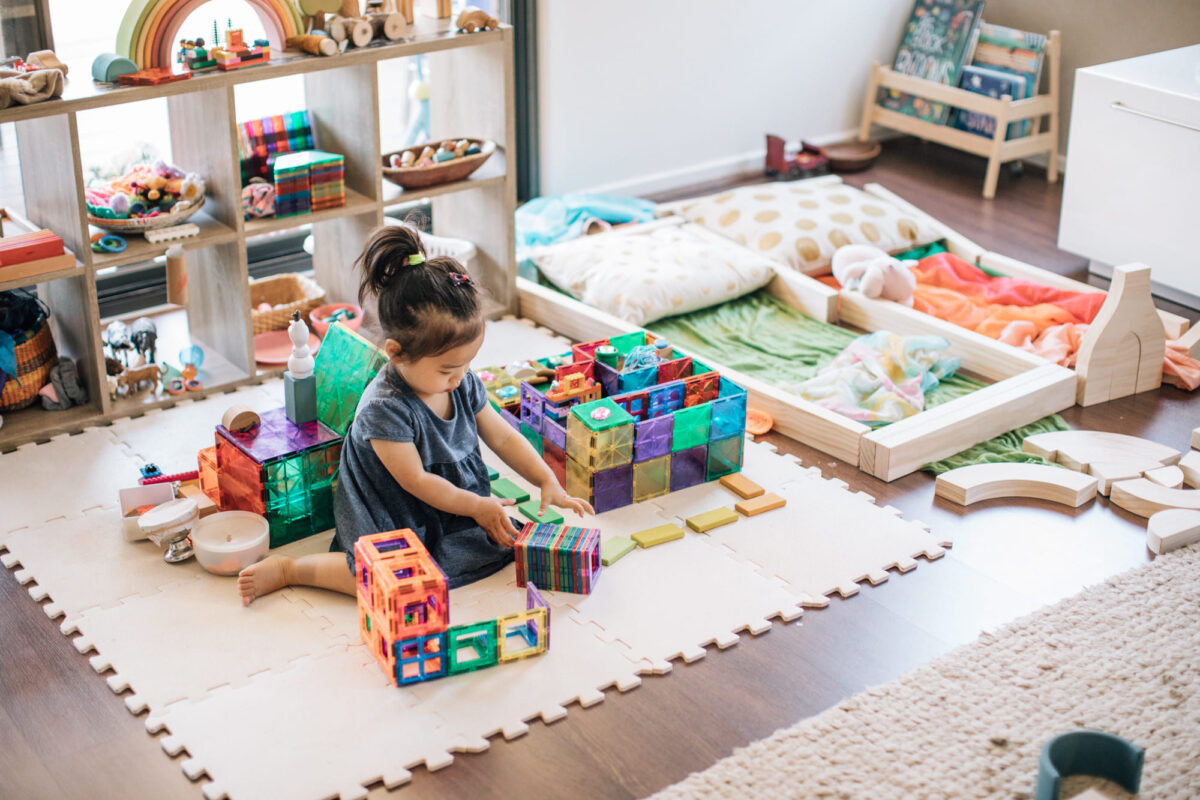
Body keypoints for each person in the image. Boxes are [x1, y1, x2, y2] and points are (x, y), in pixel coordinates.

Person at [237, 225, 593, 605]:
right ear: (396, 352)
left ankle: (455, 528)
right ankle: (293, 569)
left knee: (495, 542)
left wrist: (545, 480)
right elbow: (416, 481)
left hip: (447, 495)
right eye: (446, 369)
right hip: (392, 504)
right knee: (381, 579)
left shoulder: (461, 381)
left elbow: (502, 436)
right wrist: (475, 506)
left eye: (467, 363)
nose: (459, 377)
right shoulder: (384, 407)